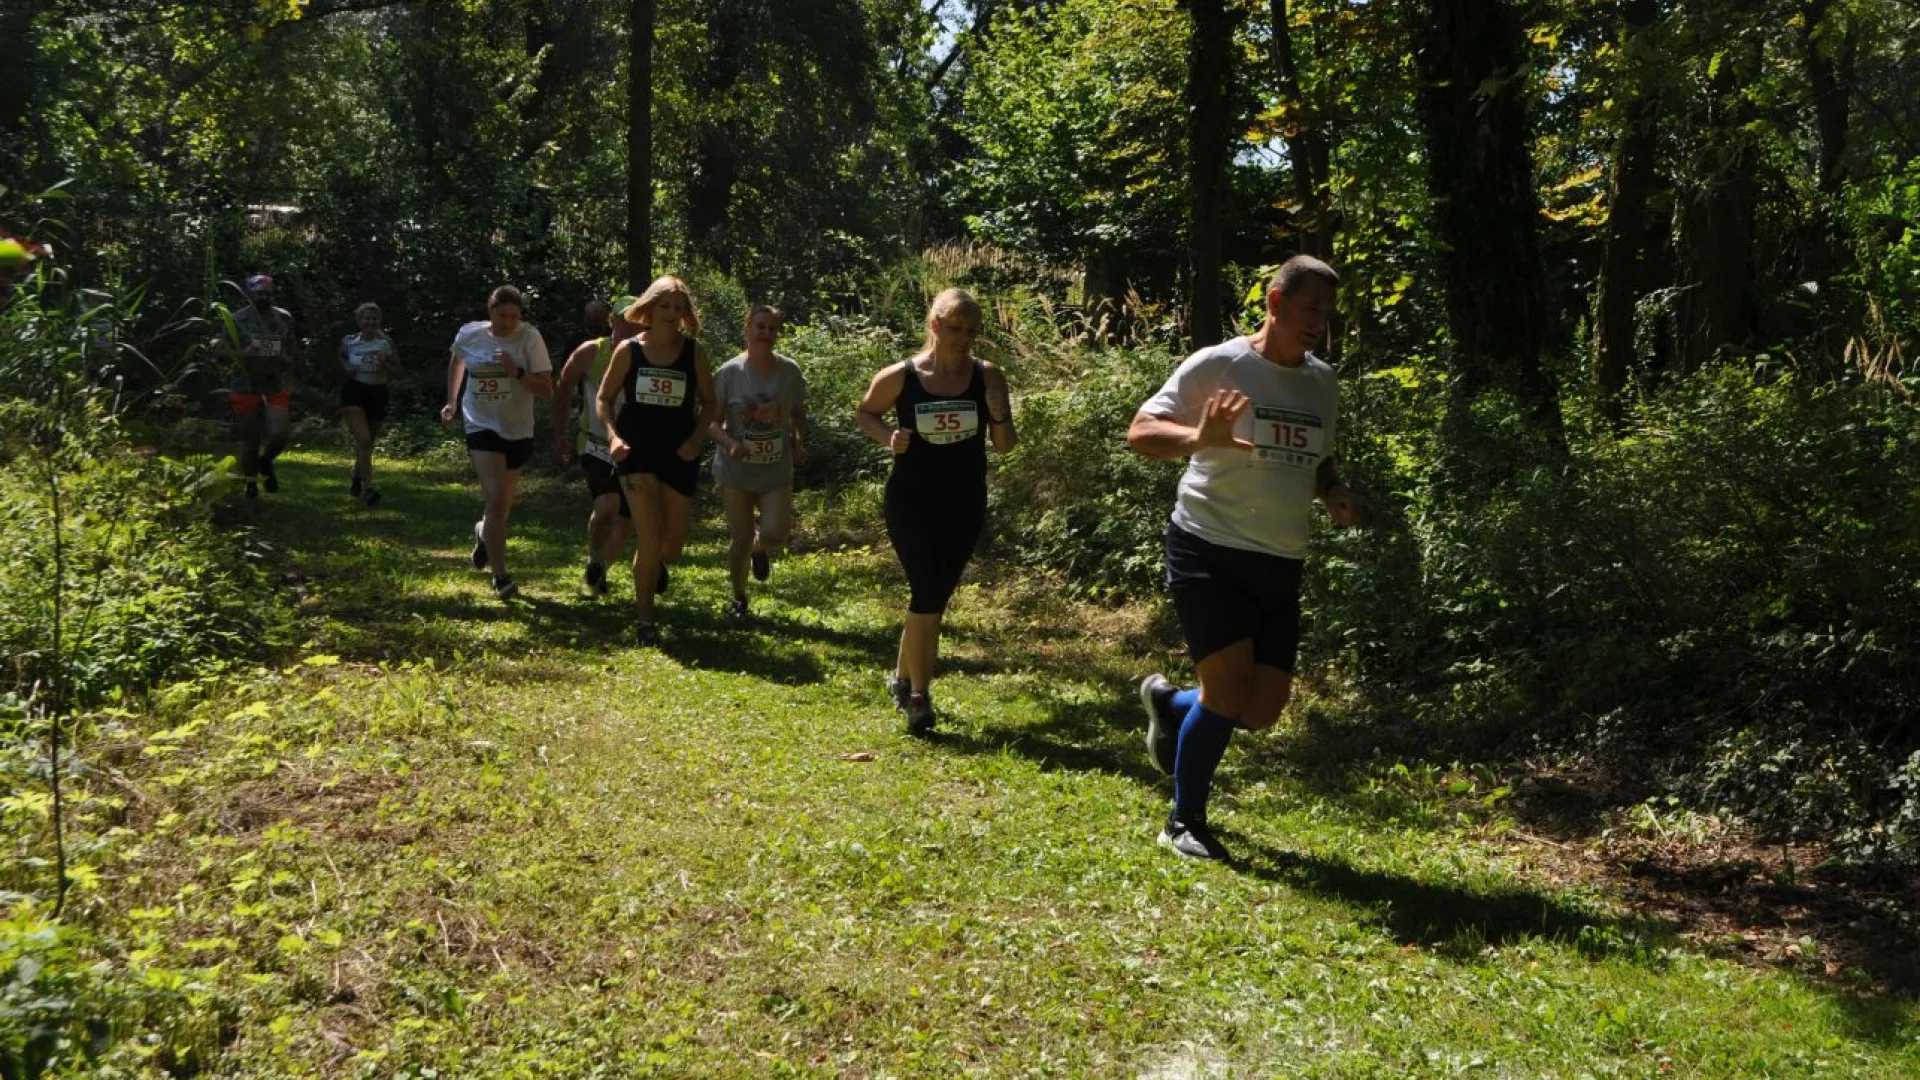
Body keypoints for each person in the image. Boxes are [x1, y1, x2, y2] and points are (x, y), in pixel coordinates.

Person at [1128, 255, 1362, 861]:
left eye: (1327, 315)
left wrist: (1332, 488)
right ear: (1275, 302)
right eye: (1311, 309)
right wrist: (1196, 439)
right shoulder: (1219, 364)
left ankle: (1170, 705)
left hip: (1282, 559)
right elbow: (1141, 433)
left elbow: (1320, 457)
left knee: (1260, 711)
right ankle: (1184, 821)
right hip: (1209, 543)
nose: (1319, 324)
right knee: (1227, 692)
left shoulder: (1322, 382)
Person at [855, 288, 1016, 734]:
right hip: (910, 500)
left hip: (964, 502)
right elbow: (866, 413)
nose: (963, 339)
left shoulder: (987, 376)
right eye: (954, 329)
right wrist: (888, 437)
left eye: (971, 331)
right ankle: (920, 698)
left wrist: (1000, 416)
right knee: (926, 589)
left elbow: (1004, 447)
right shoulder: (901, 376)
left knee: (933, 598)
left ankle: (901, 677)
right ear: (934, 326)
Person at [596, 277, 718, 646]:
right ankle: (645, 622)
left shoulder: (693, 353)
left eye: (678, 308)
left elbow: (711, 403)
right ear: (648, 309)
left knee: (672, 545)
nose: (671, 314)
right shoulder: (629, 351)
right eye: (664, 306)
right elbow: (604, 399)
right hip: (636, 452)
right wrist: (613, 437)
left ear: (685, 314)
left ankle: (650, 566)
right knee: (649, 538)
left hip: (679, 452)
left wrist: (696, 440)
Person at [441, 285, 554, 600]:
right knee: (494, 499)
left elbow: (547, 390)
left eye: (514, 317)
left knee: (501, 507)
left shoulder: (529, 338)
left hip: (518, 429)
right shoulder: (470, 334)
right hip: (480, 424)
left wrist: (516, 372)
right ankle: (501, 576)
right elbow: (456, 363)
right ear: (490, 311)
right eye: (501, 315)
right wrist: (451, 401)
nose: (507, 323)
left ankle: (482, 532)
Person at [709, 304, 807, 620]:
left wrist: (799, 441)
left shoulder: (789, 371)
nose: (766, 334)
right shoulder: (728, 373)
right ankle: (738, 598)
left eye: (772, 328)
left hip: (775, 467)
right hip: (735, 467)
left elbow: (797, 412)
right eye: (760, 327)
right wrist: (730, 443)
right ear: (747, 329)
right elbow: (709, 422)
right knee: (739, 536)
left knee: (777, 532)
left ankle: (760, 546)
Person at [551, 297, 635, 595]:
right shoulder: (591, 352)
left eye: (638, 320)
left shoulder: (647, 356)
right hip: (595, 442)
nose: (632, 325)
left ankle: (598, 572)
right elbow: (561, 389)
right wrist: (559, 435)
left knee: (624, 527)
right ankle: (596, 558)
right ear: (612, 320)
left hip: (631, 449)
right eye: (625, 319)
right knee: (606, 505)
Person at [217, 274, 299, 500]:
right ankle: (251, 485)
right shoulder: (236, 319)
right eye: (258, 293)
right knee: (251, 440)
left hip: (274, 384)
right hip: (245, 385)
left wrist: (287, 358)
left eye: (267, 293)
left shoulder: (284, 317)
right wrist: (243, 353)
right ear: (249, 293)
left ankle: (265, 462)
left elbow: (291, 346)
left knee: (280, 434)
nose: (263, 297)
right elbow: (219, 351)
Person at [338, 301, 400, 505]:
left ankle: (357, 474)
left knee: (368, 442)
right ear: (359, 321)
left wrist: (384, 362)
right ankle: (370, 488)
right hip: (355, 391)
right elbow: (342, 359)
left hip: (378, 392)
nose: (370, 322)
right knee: (363, 440)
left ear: (379, 321)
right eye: (367, 318)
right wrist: (347, 367)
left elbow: (396, 371)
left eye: (374, 319)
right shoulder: (349, 341)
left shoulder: (385, 343)